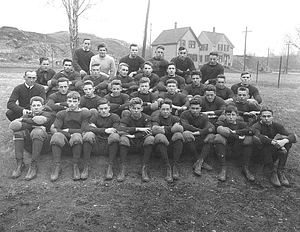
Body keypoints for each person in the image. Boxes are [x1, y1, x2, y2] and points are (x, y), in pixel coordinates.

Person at [9, 96, 55, 180]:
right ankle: (19, 163)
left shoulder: (48, 114)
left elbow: (39, 120)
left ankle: (34, 164)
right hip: (30, 145)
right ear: (30, 107)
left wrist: (22, 121)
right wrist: (28, 123)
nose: (36, 108)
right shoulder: (27, 115)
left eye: (38, 105)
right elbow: (14, 126)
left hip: (46, 145)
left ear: (43, 106)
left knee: (37, 131)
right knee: (18, 133)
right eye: (34, 106)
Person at [49, 91, 91, 181]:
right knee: (56, 135)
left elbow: (84, 130)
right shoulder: (62, 113)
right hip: (64, 141)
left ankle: (75, 166)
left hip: (78, 141)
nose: (72, 104)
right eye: (70, 101)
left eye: (74, 101)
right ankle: (57, 165)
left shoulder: (84, 113)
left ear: (79, 102)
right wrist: (68, 134)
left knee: (76, 135)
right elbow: (56, 128)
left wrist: (69, 131)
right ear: (67, 101)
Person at [251, 107, 297, 187]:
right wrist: (274, 142)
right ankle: (272, 171)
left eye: (269, 116)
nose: (266, 118)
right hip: (259, 154)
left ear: (272, 117)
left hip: (271, 151)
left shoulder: (275, 125)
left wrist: (284, 141)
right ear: (260, 117)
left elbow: (293, 136)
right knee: (265, 143)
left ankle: (280, 171)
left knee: (287, 142)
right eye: (264, 116)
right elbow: (258, 136)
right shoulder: (256, 126)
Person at [214, 105, 255, 182]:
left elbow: (252, 130)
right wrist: (237, 136)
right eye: (228, 115)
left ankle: (245, 167)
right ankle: (223, 167)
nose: (231, 117)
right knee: (218, 137)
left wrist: (236, 131)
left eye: (233, 115)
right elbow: (220, 129)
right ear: (225, 115)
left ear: (237, 116)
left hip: (237, 149)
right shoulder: (221, 122)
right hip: (224, 150)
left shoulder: (241, 124)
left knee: (249, 138)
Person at [82, 98, 120, 180]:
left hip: (108, 145)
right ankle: (86, 165)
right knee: (88, 135)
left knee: (115, 136)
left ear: (109, 108)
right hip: (97, 144)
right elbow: (87, 128)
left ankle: (110, 165)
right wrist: (105, 130)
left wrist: (96, 130)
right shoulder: (95, 117)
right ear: (97, 109)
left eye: (105, 108)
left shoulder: (114, 117)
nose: (103, 111)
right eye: (101, 109)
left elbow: (114, 130)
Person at [118, 97, 154, 182]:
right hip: (130, 143)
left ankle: (144, 168)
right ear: (130, 108)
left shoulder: (147, 118)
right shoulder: (126, 118)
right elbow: (121, 129)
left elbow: (149, 131)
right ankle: (122, 167)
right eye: (134, 108)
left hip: (141, 142)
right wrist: (137, 129)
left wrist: (134, 136)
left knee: (150, 139)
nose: (136, 110)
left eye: (138, 108)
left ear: (142, 108)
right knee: (123, 139)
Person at [180, 97, 215, 176]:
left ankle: (199, 162)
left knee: (211, 136)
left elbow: (211, 128)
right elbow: (185, 126)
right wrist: (200, 130)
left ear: (200, 108)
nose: (195, 110)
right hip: (189, 140)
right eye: (193, 108)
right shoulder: (185, 114)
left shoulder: (204, 116)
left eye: (197, 108)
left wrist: (199, 132)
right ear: (189, 108)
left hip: (199, 138)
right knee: (186, 133)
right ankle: (197, 160)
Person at [152, 99, 184, 182]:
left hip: (173, 146)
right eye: (163, 109)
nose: (165, 111)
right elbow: (155, 129)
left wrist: (163, 128)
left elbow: (178, 128)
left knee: (178, 135)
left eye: (167, 109)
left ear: (171, 110)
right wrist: (171, 129)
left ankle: (175, 166)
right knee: (160, 136)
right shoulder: (156, 118)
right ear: (159, 110)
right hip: (160, 147)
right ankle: (167, 167)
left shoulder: (176, 118)